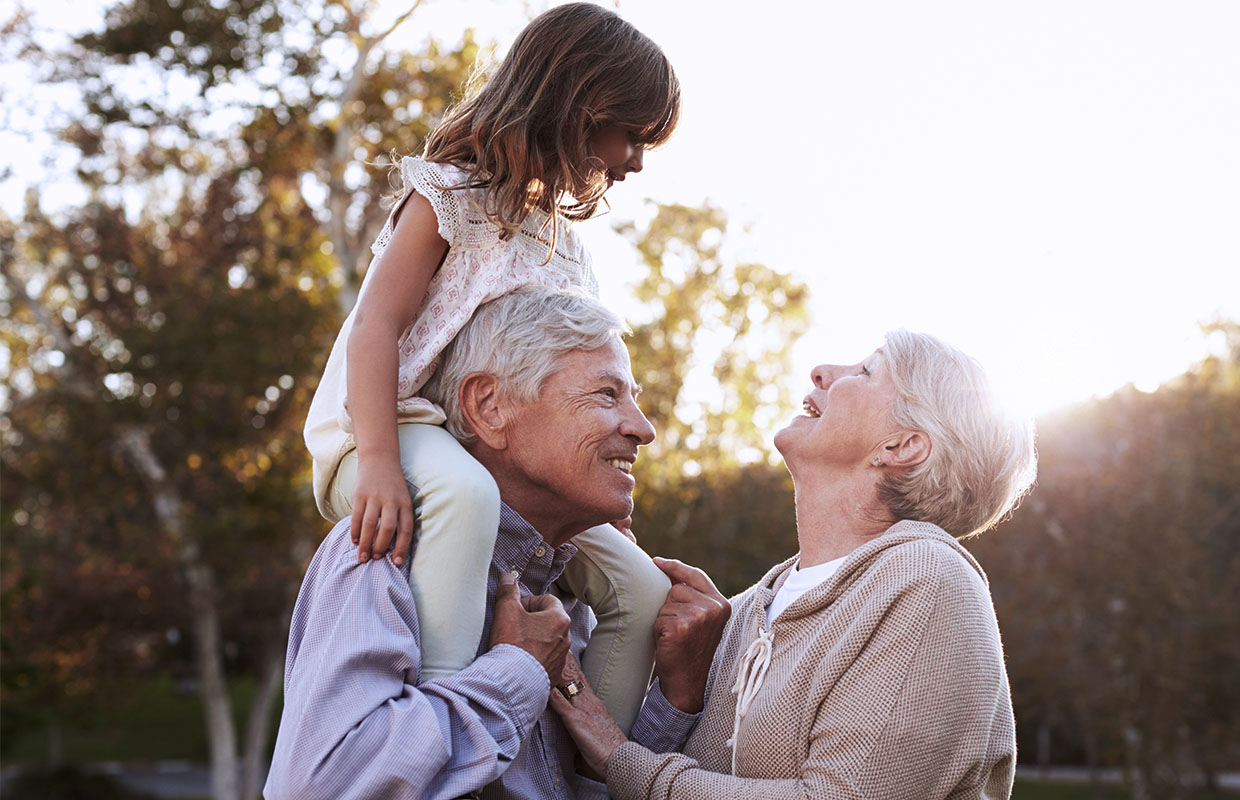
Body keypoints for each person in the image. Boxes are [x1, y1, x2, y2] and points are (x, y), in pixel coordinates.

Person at [302, 2, 679, 733]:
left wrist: (600, 489)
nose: (634, 161)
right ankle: (445, 724)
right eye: (631, 136)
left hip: (485, 442)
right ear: (577, 105)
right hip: (390, 420)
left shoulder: (563, 244)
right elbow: (375, 327)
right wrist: (377, 460)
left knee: (638, 584)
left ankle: (590, 761)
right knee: (465, 498)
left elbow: (566, 372)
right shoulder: (448, 193)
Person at [266, 286, 727, 800]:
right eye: (607, 394)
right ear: (489, 406)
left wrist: (678, 697)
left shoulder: (572, 604)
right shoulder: (382, 556)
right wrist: (518, 671)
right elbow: (325, 786)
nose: (643, 429)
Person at [550, 330, 1038, 800]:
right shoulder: (744, 611)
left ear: (901, 447)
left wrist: (615, 753)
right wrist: (681, 694)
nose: (822, 372)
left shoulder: (929, 581)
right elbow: (621, 786)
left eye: (866, 371)